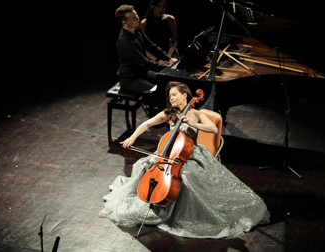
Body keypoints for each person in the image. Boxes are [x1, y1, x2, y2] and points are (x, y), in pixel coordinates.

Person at [99, 82, 270, 239]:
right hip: (168, 155)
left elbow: (212, 128)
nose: (171, 98)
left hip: (190, 155)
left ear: (185, 95)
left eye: (174, 94)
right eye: (170, 96)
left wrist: (194, 124)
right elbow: (146, 124)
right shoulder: (169, 114)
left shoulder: (196, 113)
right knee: (142, 164)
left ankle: (180, 213)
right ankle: (150, 200)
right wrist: (133, 137)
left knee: (186, 177)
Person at [115, 5, 177, 94]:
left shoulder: (137, 29)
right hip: (131, 78)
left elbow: (152, 46)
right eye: (133, 18)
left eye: (136, 15)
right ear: (124, 23)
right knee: (159, 93)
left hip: (143, 72)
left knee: (168, 80)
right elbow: (145, 63)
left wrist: (169, 58)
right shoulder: (125, 41)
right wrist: (168, 68)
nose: (137, 18)